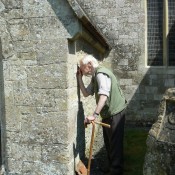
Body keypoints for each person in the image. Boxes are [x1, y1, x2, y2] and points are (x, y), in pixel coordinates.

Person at [76, 54, 127, 175]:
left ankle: (116, 171)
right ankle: (111, 167)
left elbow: (104, 96)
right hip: (109, 113)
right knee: (109, 142)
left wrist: (94, 115)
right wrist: (79, 78)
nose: (81, 69)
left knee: (115, 144)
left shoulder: (101, 74)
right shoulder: (95, 76)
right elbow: (86, 93)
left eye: (81, 67)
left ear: (89, 65)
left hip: (116, 112)